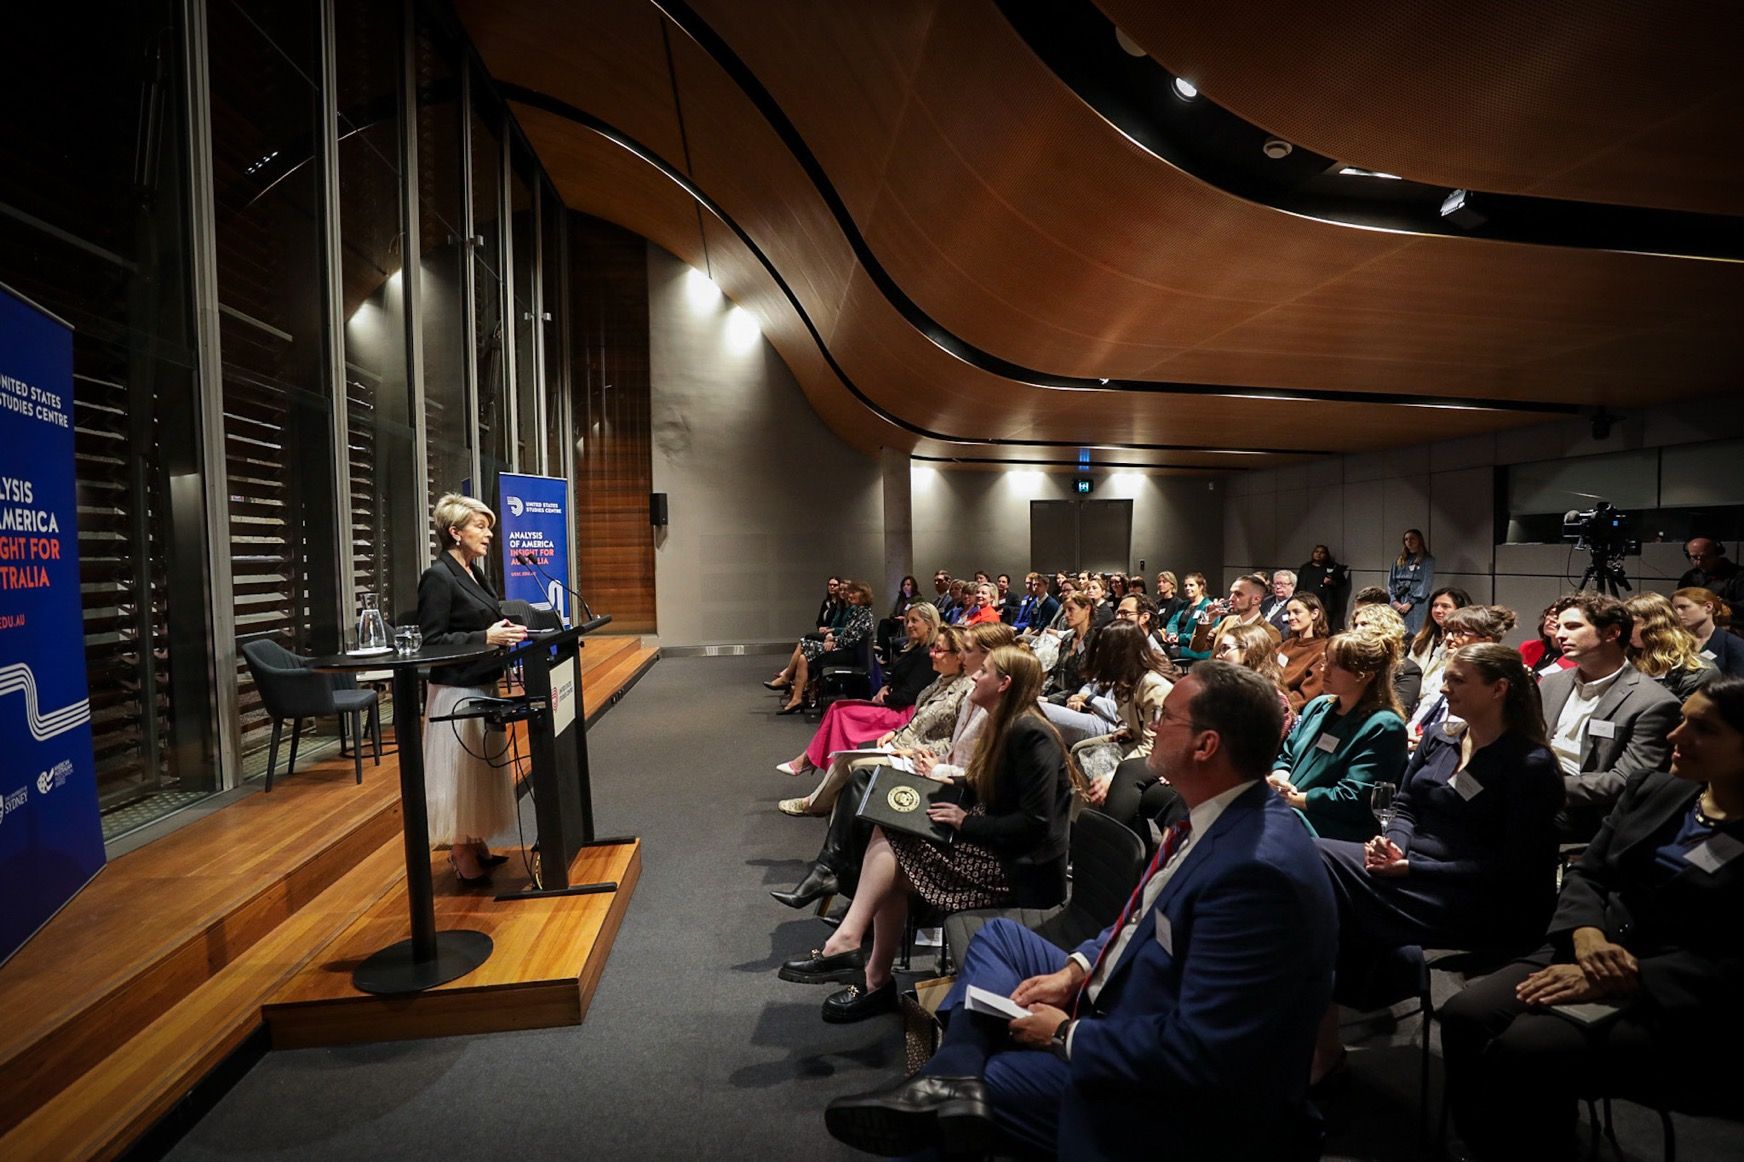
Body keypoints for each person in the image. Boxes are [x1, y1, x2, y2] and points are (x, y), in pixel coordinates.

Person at [822, 664, 1337, 1160]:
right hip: (1127, 995)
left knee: (960, 1106)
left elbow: (1202, 1054)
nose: (1153, 727)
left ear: (1206, 746)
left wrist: (1067, 1034)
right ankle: (954, 1072)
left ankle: (954, 1084)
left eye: (1167, 718)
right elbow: (1139, 920)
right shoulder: (1210, 813)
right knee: (999, 939)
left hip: (1173, 1104)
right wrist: (1076, 969)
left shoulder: (1254, 873)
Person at [1439, 675, 1744, 1161]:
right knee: (1465, 1015)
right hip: (1588, 944)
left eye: (1703, 729)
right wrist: (1585, 936)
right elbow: (1589, 872)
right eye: (1682, 720)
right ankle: (1485, 1143)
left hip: (1677, 992)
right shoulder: (1657, 789)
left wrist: (1626, 975)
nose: (1675, 736)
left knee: (1527, 1047)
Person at [778, 647, 1076, 1026]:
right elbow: (994, 786)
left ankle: (857, 954)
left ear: (1004, 684)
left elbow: (1036, 824)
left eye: (983, 670)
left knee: (894, 841)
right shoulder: (1006, 724)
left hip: (1020, 871)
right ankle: (870, 972)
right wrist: (948, 781)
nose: (974, 675)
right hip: (999, 849)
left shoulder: (1031, 733)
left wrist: (965, 823)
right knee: (892, 832)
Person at [1310, 645, 1564, 1084]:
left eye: (1458, 680)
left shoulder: (1530, 764)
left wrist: (1413, 868)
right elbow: (1405, 805)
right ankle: (1322, 1043)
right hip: (1413, 873)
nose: (1444, 688)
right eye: (1445, 678)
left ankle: (1317, 1043)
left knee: (1316, 862)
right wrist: (1393, 846)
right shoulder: (1442, 736)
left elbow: (1513, 868)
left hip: (1477, 900)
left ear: (1499, 689)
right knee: (1320, 895)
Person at [771, 624, 1013, 906]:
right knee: (856, 775)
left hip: (945, 784)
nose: (936, 654)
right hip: (927, 762)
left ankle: (835, 867)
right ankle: (835, 871)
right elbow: (931, 730)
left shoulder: (978, 697)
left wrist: (923, 759)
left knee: (859, 774)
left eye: (964, 651)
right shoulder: (954, 687)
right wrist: (899, 737)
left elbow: (967, 765)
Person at [417, 493, 528, 885]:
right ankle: (460, 850)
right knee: (460, 774)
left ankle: (475, 840)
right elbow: (431, 642)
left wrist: (504, 633)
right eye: (480, 527)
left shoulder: (473, 573)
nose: (489, 535)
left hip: (483, 682)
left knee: (479, 770)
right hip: (457, 690)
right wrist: (485, 636)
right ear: (455, 532)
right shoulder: (438, 577)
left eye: (489, 527)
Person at [778, 624, 972, 817]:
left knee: (848, 759)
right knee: (843, 739)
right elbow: (917, 717)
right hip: (901, 741)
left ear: (958, 656)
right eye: (933, 648)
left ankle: (814, 804)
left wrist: (911, 751)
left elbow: (952, 744)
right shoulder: (940, 681)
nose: (932, 654)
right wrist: (895, 732)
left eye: (939, 650)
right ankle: (823, 795)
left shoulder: (965, 692)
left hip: (917, 755)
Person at [1541, 593, 1681, 841]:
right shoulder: (1551, 683)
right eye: (1559, 626)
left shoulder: (1654, 702)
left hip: (1590, 812)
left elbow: (1625, 781)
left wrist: (1543, 788)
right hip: (1538, 786)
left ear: (1612, 633)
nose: (1560, 634)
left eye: (1572, 626)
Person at [1269, 629, 1409, 841]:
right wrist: (1280, 778)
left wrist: (1292, 798)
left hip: (1330, 827)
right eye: (1326, 660)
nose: (1323, 669)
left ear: (1365, 675)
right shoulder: (1318, 706)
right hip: (1288, 810)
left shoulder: (1384, 726)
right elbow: (1286, 755)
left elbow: (1354, 797)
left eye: (1335, 665)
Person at [776, 603, 942, 779]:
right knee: (836, 708)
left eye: (914, 621)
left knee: (841, 712)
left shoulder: (927, 655)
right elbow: (899, 680)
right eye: (908, 621)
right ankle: (817, 763)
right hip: (895, 704)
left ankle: (817, 765)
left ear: (929, 624)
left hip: (904, 714)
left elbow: (910, 695)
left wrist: (884, 698)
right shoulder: (914, 649)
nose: (909, 625)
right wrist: (886, 688)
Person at [1068, 622, 1174, 825]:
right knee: (1079, 750)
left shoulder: (1154, 687)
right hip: (1137, 739)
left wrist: (1111, 777)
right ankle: (1079, 822)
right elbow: (1136, 723)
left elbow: (1153, 745)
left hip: (1161, 753)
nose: (1097, 654)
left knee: (1096, 762)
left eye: (1102, 649)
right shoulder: (1125, 681)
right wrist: (1127, 730)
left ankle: (1096, 827)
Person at [1406, 604, 1516, 743]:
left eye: (1459, 633)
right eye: (1447, 631)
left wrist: (1433, 743)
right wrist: (1410, 734)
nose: (1448, 638)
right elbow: (1422, 715)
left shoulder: (1497, 681)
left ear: (1486, 641)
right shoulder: (1440, 673)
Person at [769, 580, 876, 713]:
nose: (850, 595)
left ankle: (786, 678)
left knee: (804, 643)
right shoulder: (857, 612)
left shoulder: (864, 615)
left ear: (864, 595)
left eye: (854, 592)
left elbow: (851, 641)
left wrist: (834, 641)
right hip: (844, 650)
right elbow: (847, 636)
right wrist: (834, 639)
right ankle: (796, 699)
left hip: (849, 655)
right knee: (803, 658)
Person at [1625, 591, 1719, 702]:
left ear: (1656, 625)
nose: (1625, 630)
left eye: (1633, 623)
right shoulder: (1624, 662)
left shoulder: (1698, 673)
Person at [1352, 603, 1423, 712]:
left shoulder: (1408, 670)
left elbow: (1398, 711)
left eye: (1364, 624)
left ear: (1385, 628)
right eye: (1355, 625)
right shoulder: (1348, 661)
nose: (1357, 630)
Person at [1672, 585, 1744, 677]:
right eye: (1674, 609)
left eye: (1683, 607)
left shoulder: (1734, 645)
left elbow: (1738, 682)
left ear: (1708, 607)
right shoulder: (1672, 642)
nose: (1677, 613)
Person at [1278, 592, 1331, 712]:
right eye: (1289, 613)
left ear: (1314, 614)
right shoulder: (1287, 645)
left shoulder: (1324, 650)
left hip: (1287, 709)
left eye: (1297, 612)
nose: (1291, 617)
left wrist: (1276, 704)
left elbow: (1305, 695)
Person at [1406, 586, 1473, 676]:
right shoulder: (1421, 637)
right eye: (1435, 605)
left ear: (1461, 610)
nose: (1438, 610)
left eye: (1445, 606)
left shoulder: (1466, 641)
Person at [1208, 573, 1282, 649]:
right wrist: (1208, 618)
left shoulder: (1269, 633)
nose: (1231, 599)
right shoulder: (1227, 621)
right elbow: (1201, 646)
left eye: (1238, 594)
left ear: (1256, 599)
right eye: (1231, 593)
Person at [1044, 592, 1098, 696]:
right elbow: (1055, 674)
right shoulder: (1067, 638)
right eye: (1065, 611)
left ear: (1087, 609)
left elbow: (1086, 685)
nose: (1066, 615)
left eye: (1071, 609)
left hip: (1073, 698)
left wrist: (1050, 699)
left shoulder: (1095, 642)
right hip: (1053, 692)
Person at [1676, 537, 1744, 616]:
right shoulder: (1690, 576)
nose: (1699, 562)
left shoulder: (1739, 576)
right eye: (1694, 557)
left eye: (1705, 557)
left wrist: (1727, 605)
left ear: (1717, 554)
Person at [1387, 528, 1436, 634]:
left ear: (1419, 540)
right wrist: (1394, 601)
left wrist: (1410, 602)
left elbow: (1426, 584)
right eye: (1406, 539)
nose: (1409, 541)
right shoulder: (1398, 560)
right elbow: (1391, 583)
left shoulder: (1427, 560)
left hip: (1417, 603)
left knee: (1416, 633)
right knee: (1396, 632)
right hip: (1398, 601)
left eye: (1412, 538)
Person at [1520, 598, 1578, 680]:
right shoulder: (1528, 647)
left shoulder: (1578, 658)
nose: (1551, 619)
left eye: (1558, 616)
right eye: (1550, 613)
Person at [1161, 572, 1212, 662]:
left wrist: (1180, 639)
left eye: (1191, 585)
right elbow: (1172, 622)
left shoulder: (1208, 607)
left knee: (1163, 652)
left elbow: (1207, 635)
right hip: (1176, 643)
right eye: (1185, 586)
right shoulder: (1183, 605)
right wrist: (1172, 634)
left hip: (1195, 649)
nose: (1187, 588)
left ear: (1201, 587)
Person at [1297, 545, 1349, 629]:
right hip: (1307, 603)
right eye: (1316, 552)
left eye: (1322, 552)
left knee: (1324, 628)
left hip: (1326, 605)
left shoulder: (1332, 568)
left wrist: (1332, 582)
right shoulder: (1305, 568)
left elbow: (1342, 583)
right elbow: (1299, 585)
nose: (1318, 554)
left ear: (1326, 555)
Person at [1260, 569, 1296, 634]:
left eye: (1282, 584)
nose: (1278, 587)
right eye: (1276, 584)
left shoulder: (1296, 604)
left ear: (1292, 586)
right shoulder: (1266, 601)